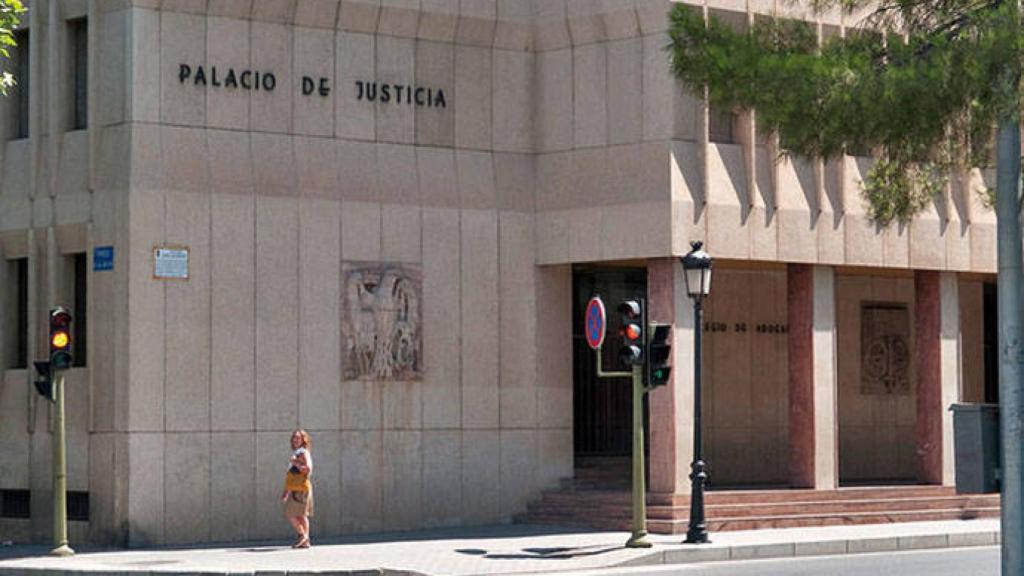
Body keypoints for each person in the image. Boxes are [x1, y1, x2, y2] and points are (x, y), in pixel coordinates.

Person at [281, 429, 314, 548]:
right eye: (294, 437)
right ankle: (305, 541)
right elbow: (292, 476)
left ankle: (303, 535)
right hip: (297, 487)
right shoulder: (298, 452)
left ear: (303, 440)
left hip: (301, 488)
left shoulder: (303, 453)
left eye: (298, 438)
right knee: (301, 515)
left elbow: (307, 470)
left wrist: (295, 463)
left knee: (291, 514)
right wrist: (287, 490)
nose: (295, 440)